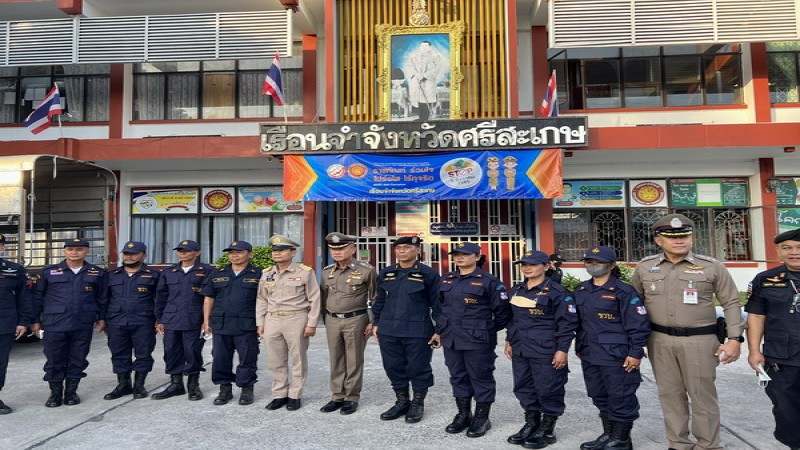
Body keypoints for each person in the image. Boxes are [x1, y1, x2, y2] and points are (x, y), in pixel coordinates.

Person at [631, 214, 745, 450]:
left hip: (700, 340)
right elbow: (634, 305)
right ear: (659, 240)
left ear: (692, 238)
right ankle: (678, 443)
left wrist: (734, 338)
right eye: (672, 237)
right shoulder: (645, 267)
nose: (680, 241)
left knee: (702, 395)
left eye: (685, 236)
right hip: (659, 339)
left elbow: (731, 303)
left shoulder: (711, 267)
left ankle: (708, 444)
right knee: (670, 394)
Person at [574, 246, 650, 450]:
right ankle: (608, 435)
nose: (593, 266)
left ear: (611, 265)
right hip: (590, 353)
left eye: (598, 262)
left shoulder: (624, 291)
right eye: (589, 262)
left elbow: (638, 324)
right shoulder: (581, 289)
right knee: (599, 395)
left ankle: (622, 439)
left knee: (621, 396)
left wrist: (635, 353)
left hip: (617, 355)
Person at [433, 241, 511, 438]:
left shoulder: (489, 281)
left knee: (480, 377)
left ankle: (482, 418)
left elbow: (502, 312)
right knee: (458, 376)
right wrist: (440, 330)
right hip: (451, 339)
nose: (459, 258)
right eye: (456, 254)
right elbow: (441, 309)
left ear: (477, 257)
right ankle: (463, 414)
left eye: (465, 254)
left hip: (478, 340)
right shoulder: (447, 279)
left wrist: (486, 329)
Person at [504, 250, 577, 449]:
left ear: (546, 267)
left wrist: (563, 350)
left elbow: (567, 324)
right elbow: (512, 319)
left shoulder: (557, 292)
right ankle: (531, 423)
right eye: (524, 264)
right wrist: (509, 341)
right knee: (524, 387)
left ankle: (547, 429)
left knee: (548, 388)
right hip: (521, 348)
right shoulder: (516, 290)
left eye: (533, 264)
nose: (527, 268)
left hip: (546, 350)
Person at [31, 238, 107, 407]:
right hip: (54, 323)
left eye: (79, 249)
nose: (74, 252)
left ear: (87, 251)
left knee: (78, 358)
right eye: (70, 249)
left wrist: (101, 318)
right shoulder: (49, 272)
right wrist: (35, 321)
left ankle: (71, 392)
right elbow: (37, 298)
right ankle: (55, 393)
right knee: (54, 359)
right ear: (64, 251)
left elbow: (101, 298)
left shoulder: (96, 272)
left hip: (83, 323)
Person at [373, 236, 440, 423]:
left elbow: (437, 304)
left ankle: (417, 404)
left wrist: (439, 329)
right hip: (389, 329)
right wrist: (376, 323)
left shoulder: (428, 274)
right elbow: (380, 299)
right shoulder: (386, 273)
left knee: (418, 368)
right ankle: (402, 402)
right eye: (398, 247)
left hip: (417, 330)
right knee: (393, 367)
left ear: (418, 250)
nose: (401, 251)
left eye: (407, 247)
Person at [745, 228, 800, 450]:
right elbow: (757, 316)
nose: (793, 252)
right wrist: (754, 351)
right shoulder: (765, 279)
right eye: (787, 248)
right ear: (778, 252)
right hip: (781, 357)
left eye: (798, 248)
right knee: (786, 409)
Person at [256, 235, 321, 412]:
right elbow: (262, 299)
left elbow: (314, 298)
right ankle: (279, 394)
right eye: (274, 250)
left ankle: (295, 394)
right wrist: (260, 322)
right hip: (272, 319)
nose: (277, 253)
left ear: (293, 252)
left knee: (298, 359)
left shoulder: (304, 272)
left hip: (296, 318)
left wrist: (312, 323)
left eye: (281, 250)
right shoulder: (267, 273)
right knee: (275, 360)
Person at [319, 232, 377, 415]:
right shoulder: (327, 271)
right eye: (333, 249)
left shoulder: (367, 270)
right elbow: (323, 297)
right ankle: (337, 395)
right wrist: (323, 318)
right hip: (332, 319)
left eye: (342, 248)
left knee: (353, 359)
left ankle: (351, 397)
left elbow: (375, 298)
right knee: (336, 358)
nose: (337, 252)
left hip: (356, 319)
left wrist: (372, 322)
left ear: (353, 249)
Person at [201, 241, 262, 406]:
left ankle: (246, 388)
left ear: (250, 254)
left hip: (247, 324)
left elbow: (264, 300)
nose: (234, 255)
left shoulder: (258, 273)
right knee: (220, 358)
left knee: (248, 358)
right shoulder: (217, 273)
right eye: (231, 252)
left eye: (239, 252)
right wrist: (206, 321)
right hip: (221, 324)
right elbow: (209, 298)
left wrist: (262, 323)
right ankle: (224, 389)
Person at [153, 240, 214, 401]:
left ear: (197, 252)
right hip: (171, 318)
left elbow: (212, 298)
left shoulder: (207, 271)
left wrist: (207, 320)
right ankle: (176, 384)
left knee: (192, 352)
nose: (183, 253)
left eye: (187, 250)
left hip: (194, 319)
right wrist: (159, 319)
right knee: (171, 352)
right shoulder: (169, 272)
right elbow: (161, 297)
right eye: (180, 250)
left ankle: (193, 386)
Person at [103, 241, 160, 400]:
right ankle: (123, 385)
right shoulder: (110, 276)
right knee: (119, 353)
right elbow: (103, 299)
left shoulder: (154, 275)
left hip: (144, 321)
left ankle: (139, 385)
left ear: (144, 255)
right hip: (116, 321)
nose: (129, 257)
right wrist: (101, 319)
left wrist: (160, 320)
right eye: (126, 254)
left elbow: (160, 299)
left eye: (134, 254)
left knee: (143, 353)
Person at [0, 234, 32, 414]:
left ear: (2, 249)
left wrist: (23, 321)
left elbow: (24, 298)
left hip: (3, 324)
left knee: (0, 363)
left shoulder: (14, 270)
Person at [405, 40, 441, 121]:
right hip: (417, 80)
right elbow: (409, 66)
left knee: (426, 98)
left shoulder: (435, 56)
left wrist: (424, 76)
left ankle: (426, 118)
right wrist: (416, 75)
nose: (424, 48)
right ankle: (421, 117)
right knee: (418, 99)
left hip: (428, 81)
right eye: (422, 46)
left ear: (430, 47)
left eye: (426, 46)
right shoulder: (414, 56)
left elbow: (437, 68)